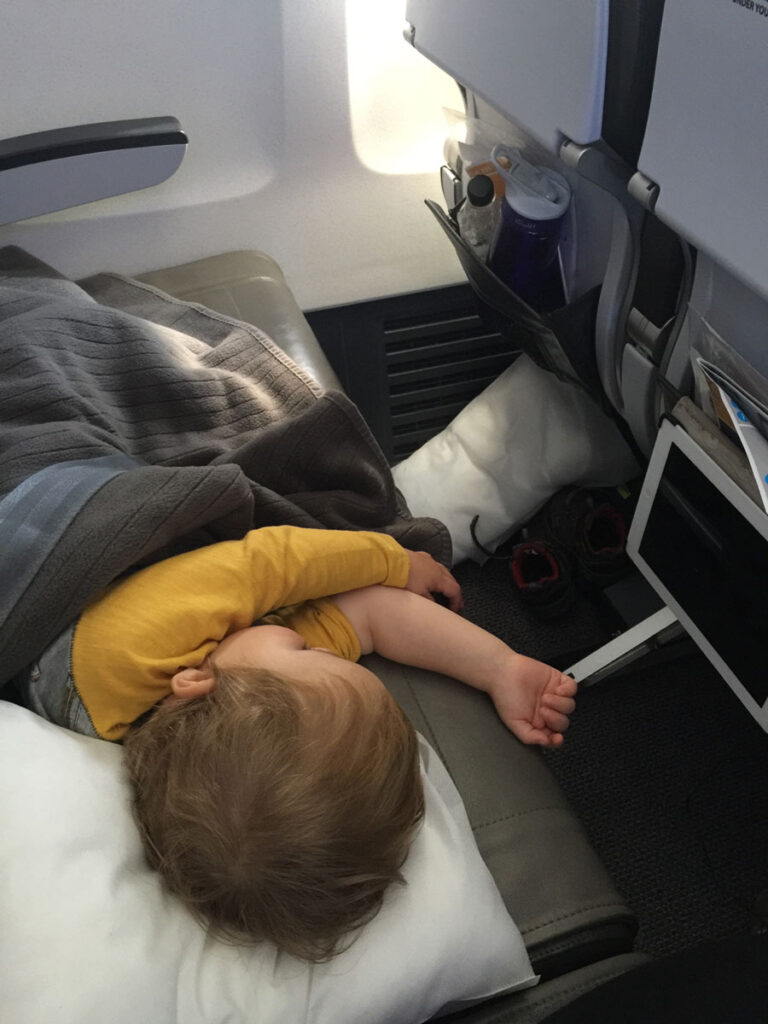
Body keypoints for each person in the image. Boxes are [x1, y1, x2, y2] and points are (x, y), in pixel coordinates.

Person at [23, 524, 577, 960]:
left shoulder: (126, 651)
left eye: (308, 655)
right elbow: (372, 617)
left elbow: (271, 560)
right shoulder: (241, 695)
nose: (322, 645)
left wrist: (395, 559)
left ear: (196, 683)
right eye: (316, 655)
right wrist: (499, 668)